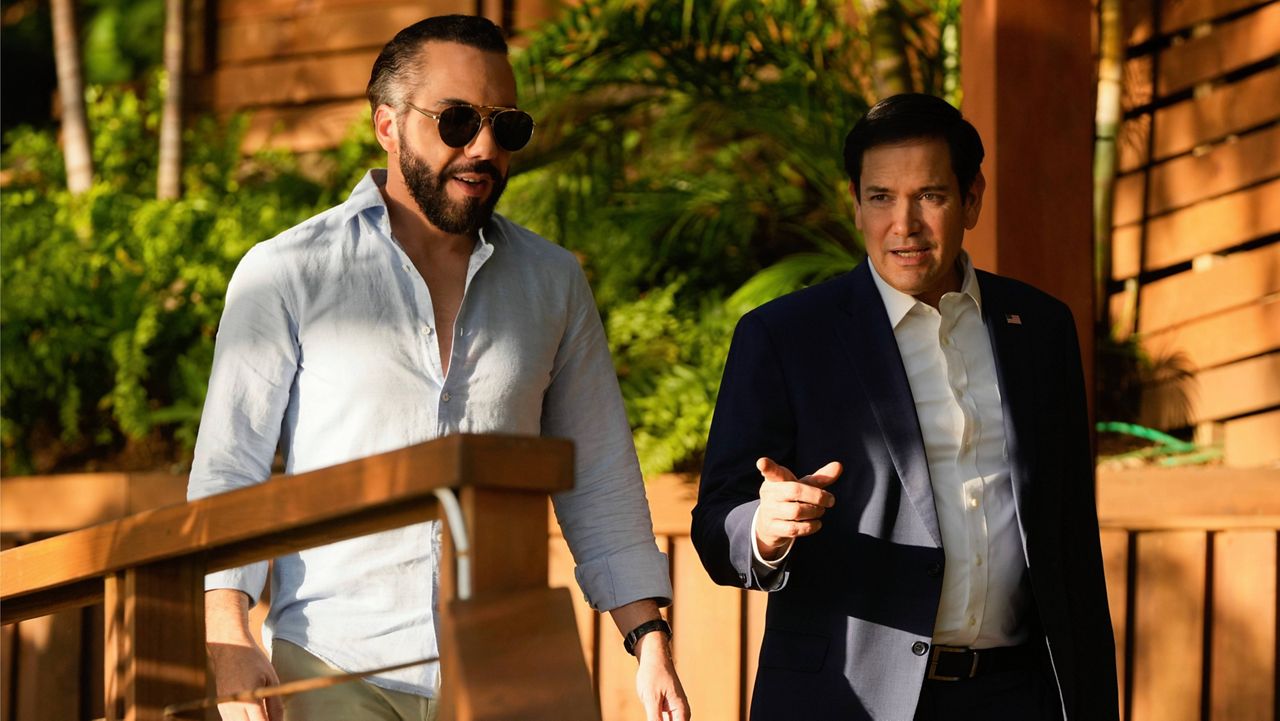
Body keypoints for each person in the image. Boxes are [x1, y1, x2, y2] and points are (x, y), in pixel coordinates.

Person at [188, 15, 689, 721]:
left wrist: (650, 639)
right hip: (334, 663)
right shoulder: (286, 272)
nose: (483, 147)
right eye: (456, 120)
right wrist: (227, 632)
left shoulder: (553, 283)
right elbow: (230, 469)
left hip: (510, 667)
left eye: (505, 127)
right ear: (387, 125)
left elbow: (599, 472)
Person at [691, 93, 1118, 721]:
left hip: (1019, 695)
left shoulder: (1041, 328)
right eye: (881, 197)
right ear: (856, 204)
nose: (904, 224)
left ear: (972, 198)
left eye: (931, 196)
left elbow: (1072, 536)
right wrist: (763, 528)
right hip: (852, 700)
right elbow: (715, 521)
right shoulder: (785, 336)